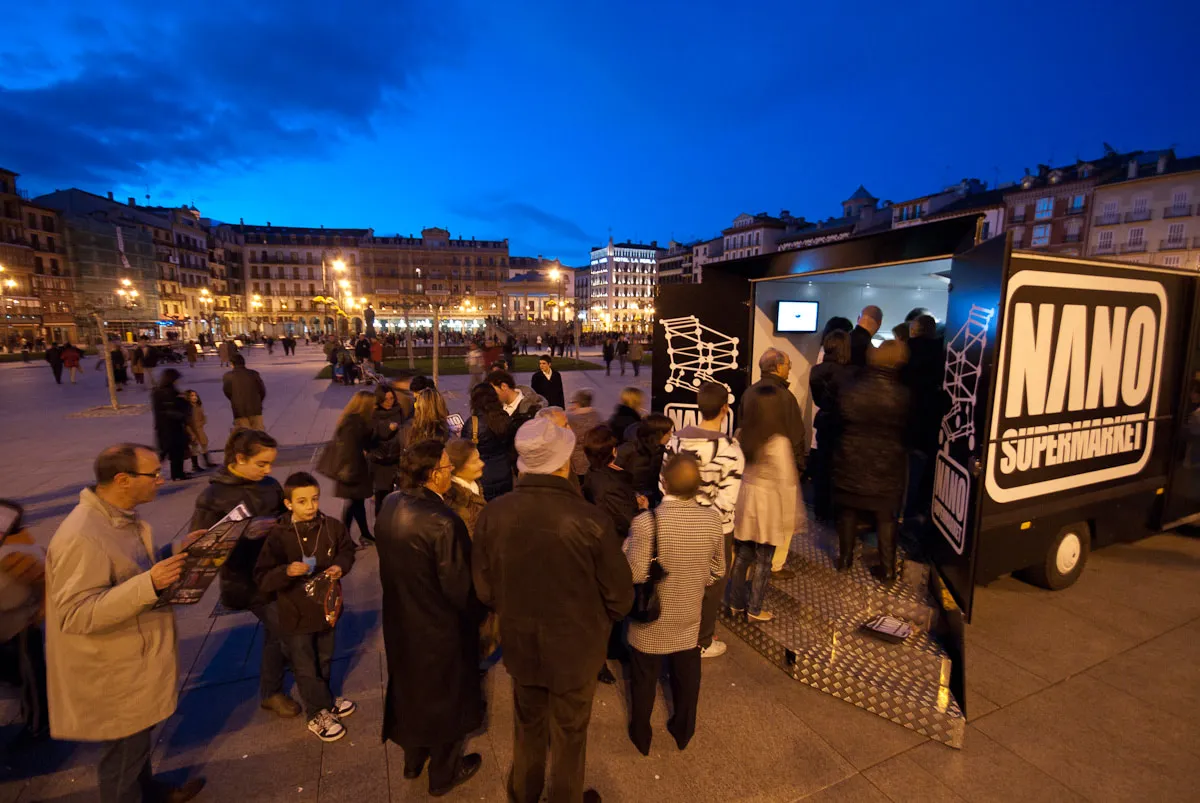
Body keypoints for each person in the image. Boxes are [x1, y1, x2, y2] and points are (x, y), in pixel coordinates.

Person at [474, 418, 634, 803]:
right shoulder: (591, 520)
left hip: (522, 646)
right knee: (570, 732)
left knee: (528, 725)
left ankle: (523, 792)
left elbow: (484, 589)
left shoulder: (493, 513)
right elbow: (621, 597)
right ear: (563, 464)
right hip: (577, 651)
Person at [45, 444, 205, 803]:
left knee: (135, 743)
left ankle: (147, 791)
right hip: (112, 667)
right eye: (154, 475)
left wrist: (175, 550)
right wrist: (150, 583)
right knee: (121, 756)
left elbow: (127, 569)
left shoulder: (116, 517)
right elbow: (76, 613)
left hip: (133, 654)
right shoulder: (82, 535)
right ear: (122, 480)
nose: (161, 481)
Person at [377, 440, 485, 797]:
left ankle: (413, 758)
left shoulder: (390, 504)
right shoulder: (443, 521)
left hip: (401, 622)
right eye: (444, 467)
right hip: (439, 630)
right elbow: (459, 588)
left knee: (412, 693)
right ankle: (444, 771)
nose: (449, 472)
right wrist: (479, 615)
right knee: (447, 700)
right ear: (430, 475)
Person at [191, 430, 297, 718]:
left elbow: (285, 517)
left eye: (270, 464)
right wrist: (242, 534)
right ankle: (287, 686)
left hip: (277, 571)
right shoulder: (212, 497)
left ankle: (271, 691)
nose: (268, 470)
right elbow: (198, 546)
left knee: (277, 633)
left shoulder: (270, 485)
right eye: (261, 464)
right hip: (246, 580)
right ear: (239, 458)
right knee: (288, 630)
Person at [624, 454, 724, 755]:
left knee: (643, 678)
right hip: (689, 616)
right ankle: (683, 729)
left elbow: (634, 573)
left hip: (650, 619)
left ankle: (641, 733)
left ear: (663, 483)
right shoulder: (712, 520)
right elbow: (718, 571)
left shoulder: (646, 523)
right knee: (688, 675)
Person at [254, 472, 357, 742]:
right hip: (295, 613)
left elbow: (347, 550)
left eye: (314, 499)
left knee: (324, 657)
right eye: (302, 501)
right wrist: (286, 571)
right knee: (304, 664)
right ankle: (316, 713)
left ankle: (325, 700)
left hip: (326, 609)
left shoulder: (332, 526)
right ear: (289, 504)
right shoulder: (279, 536)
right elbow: (263, 577)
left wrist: (340, 566)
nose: (310, 506)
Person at [661, 381, 744, 659]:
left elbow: (664, 484)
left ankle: (675, 634)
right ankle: (702, 641)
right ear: (725, 409)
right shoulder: (731, 449)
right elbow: (728, 499)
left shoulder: (675, 441)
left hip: (677, 521)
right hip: (717, 529)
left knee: (679, 580)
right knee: (712, 584)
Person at [835, 341, 911, 583]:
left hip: (851, 457)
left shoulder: (850, 388)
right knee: (885, 516)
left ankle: (844, 560)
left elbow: (838, 418)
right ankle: (887, 570)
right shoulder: (903, 394)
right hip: (886, 462)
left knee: (848, 511)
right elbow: (912, 429)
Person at [727, 384, 799, 622]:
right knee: (764, 560)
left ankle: (735, 603)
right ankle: (754, 609)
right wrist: (791, 517)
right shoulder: (778, 441)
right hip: (768, 505)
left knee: (743, 555)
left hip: (745, 500)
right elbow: (787, 483)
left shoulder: (740, 434)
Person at [746, 348, 807, 576]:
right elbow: (797, 436)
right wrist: (799, 467)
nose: (789, 368)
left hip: (752, 466)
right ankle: (775, 565)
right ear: (778, 366)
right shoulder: (785, 397)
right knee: (782, 522)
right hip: (781, 466)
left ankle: (752, 560)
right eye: (788, 364)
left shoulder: (749, 392)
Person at [0, 506, 49, 750]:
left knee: (30, 676)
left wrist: (41, 609)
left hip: (21, 623)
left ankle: (39, 725)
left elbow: (45, 579)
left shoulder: (17, 552)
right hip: (11, 622)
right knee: (21, 673)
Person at [903, 314, 949, 529]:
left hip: (907, 424)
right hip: (931, 423)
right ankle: (922, 509)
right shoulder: (943, 353)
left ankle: (904, 510)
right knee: (926, 470)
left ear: (914, 330)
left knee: (907, 472)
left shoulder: (905, 353)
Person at [809, 330, 853, 524]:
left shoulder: (816, 371)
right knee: (840, 469)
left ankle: (820, 510)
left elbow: (819, 399)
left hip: (823, 421)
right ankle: (838, 512)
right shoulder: (850, 374)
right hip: (843, 425)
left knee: (822, 467)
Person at [325, 391, 377, 547]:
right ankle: (346, 537)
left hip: (352, 468)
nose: (375, 406)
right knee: (354, 504)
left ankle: (364, 534)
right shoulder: (354, 423)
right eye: (372, 403)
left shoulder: (353, 420)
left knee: (357, 503)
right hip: (351, 470)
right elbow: (350, 448)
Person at [459, 383, 516, 500]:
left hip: (481, 476)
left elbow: (464, 452)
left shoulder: (473, 423)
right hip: (505, 473)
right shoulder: (505, 418)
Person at [616, 413, 673, 509]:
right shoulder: (628, 450)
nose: (671, 435)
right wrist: (634, 495)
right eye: (668, 433)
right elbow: (613, 477)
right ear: (658, 434)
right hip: (627, 502)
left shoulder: (661, 451)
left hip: (650, 501)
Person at [369, 384, 407, 515]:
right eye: (386, 399)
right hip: (381, 460)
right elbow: (371, 434)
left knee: (400, 495)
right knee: (382, 496)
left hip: (397, 458)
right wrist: (386, 427)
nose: (389, 402)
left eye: (391, 398)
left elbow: (404, 428)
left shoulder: (398, 410)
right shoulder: (374, 413)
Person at [151, 369, 193, 481]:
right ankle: (154, 473)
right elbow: (173, 409)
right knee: (171, 451)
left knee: (171, 451)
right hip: (172, 426)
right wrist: (185, 403)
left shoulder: (158, 392)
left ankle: (177, 473)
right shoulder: (168, 392)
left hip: (163, 426)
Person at [443, 438, 487, 538]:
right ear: (456, 468)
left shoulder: (474, 484)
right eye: (475, 462)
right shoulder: (456, 504)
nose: (482, 464)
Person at [223, 353, 267, 430]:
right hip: (255, 409)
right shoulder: (254, 374)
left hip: (239, 410)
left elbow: (227, 392)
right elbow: (262, 390)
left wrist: (235, 400)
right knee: (258, 434)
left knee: (244, 434)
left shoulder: (228, 376)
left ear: (232, 364)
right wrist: (258, 401)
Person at [566, 390, 603, 483]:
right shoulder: (596, 415)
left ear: (578, 403)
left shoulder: (570, 418)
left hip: (576, 461)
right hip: (594, 458)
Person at [184, 389, 217, 472]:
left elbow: (202, 417)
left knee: (204, 444)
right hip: (193, 430)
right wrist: (191, 433)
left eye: (195, 395)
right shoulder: (188, 408)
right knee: (194, 447)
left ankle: (207, 462)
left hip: (200, 429)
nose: (194, 397)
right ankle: (195, 465)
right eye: (192, 396)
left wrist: (203, 421)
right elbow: (187, 422)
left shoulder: (198, 406)